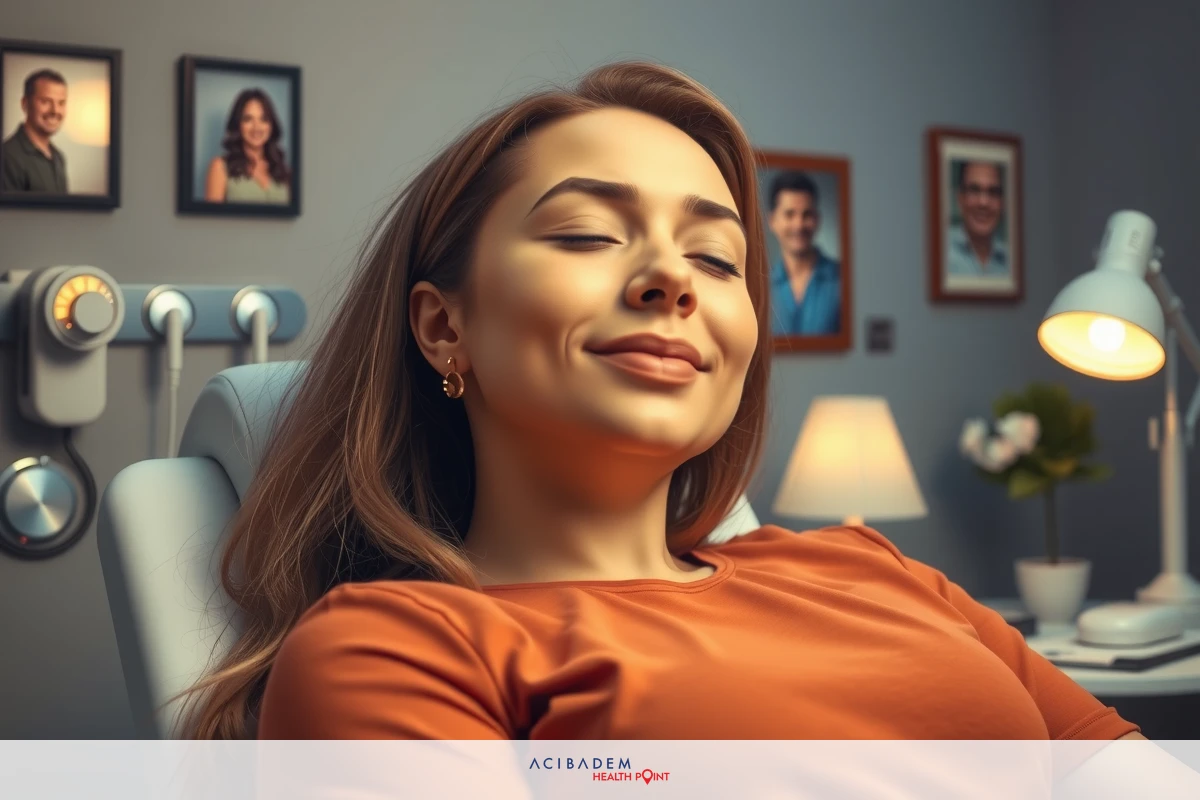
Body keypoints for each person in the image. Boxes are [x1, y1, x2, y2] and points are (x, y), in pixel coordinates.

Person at [171, 62, 1144, 749]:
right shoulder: (392, 650)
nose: (672, 278)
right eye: (590, 233)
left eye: (718, 258)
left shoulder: (869, 565)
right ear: (441, 328)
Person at [766, 171, 841, 336]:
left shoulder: (843, 279)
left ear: (817, 219)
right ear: (772, 221)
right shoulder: (760, 287)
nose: (799, 225)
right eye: (789, 214)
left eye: (806, 214)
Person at [204, 88, 290, 204]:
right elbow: (209, 220)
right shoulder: (219, 167)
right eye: (248, 119)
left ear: (271, 125)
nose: (256, 127)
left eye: (263, 119)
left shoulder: (284, 170)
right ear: (238, 124)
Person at [2, 69, 69, 193]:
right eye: (45, 102)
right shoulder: (7, 157)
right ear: (25, 104)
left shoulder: (58, 158)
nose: (55, 111)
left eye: (61, 103)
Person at [946, 160, 1008, 277]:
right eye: (974, 190)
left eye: (993, 192)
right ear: (960, 198)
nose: (983, 202)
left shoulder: (1011, 260)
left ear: (1002, 202)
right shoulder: (941, 253)